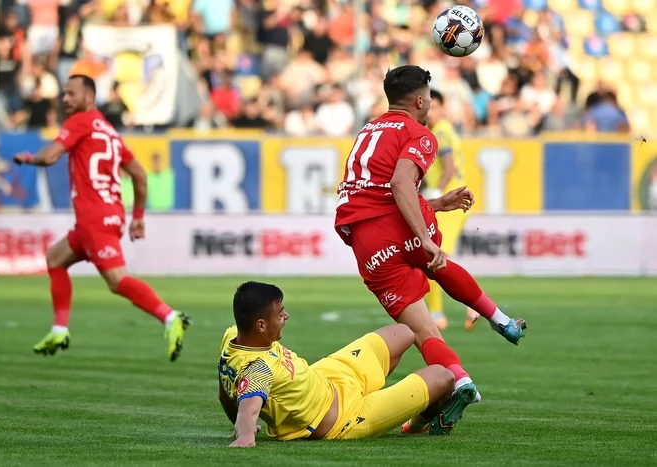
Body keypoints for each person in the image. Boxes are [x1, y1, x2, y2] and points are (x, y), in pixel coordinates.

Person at [333, 65, 527, 434]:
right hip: (401, 222)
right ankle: (499, 319)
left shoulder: (368, 129)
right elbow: (400, 182)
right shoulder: (420, 133)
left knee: (424, 333)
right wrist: (422, 234)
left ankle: (461, 380)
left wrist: (435, 204)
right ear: (421, 100)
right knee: (438, 263)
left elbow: (378, 191)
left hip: (367, 239)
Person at [12, 74, 191, 362]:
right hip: (109, 215)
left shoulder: (80, 122)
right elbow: (139, 175)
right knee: (55, 259)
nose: (66, 99)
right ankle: (59, 329)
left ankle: (171, 317)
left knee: (117, 281)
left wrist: (30, 158)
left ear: (89, 97)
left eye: (72, 94)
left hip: (95, 217)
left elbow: (51, 156)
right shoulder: (109, 131)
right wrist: (138, 217)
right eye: (64, 95)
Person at [218, 281, 456, 448]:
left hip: (329, 375)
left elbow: (226, 390)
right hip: (344, 418)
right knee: (443, 377)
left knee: (404, 332)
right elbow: (247, 408)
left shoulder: (232, 337)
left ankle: (381, 395)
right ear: (260, 326)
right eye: (280, 314)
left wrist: (239, 425)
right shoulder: (258, 369)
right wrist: (245, 435)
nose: (286, 316)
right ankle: (415, 425)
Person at [420, 89, 479, 331]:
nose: (430, 113)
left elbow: (449, 168)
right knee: (439, 256)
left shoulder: (441, 133)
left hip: (450, 202)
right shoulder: (440, 131)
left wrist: (436, 195)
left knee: (433, 255)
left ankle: (437, 314)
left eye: (434, 107)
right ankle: (472, 307)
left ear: (442, 108)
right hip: (453, 202)